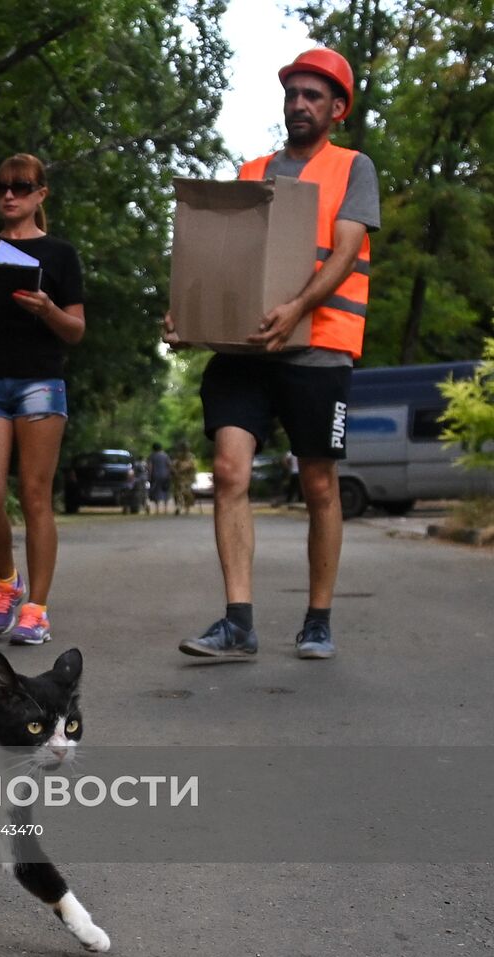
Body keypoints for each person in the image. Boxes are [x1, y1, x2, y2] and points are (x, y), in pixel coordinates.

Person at [166, 48, 380, 661]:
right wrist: (191, 312)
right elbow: (225, 253)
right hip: (246, 348)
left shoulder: (352, 168)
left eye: (313, 96)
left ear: (337, 109)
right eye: (293, 94)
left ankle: (317, 619)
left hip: (320, 346)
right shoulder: (254, 168)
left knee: (317, 483)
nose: (299, 104)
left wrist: (296, 308)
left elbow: (343, 253)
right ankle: (238, 623)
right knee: (230, 471)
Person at [0, 153, 86, 646]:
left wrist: (47, 308)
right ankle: (8, 582)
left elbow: (75, 331)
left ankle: (37, 610)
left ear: (40, 195)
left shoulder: (60, 254)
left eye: (21, 186)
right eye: (1, 186)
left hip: (39, 383)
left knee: (34, 497)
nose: (9, 194)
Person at [171, 442, 197, 515]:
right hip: (179, 478)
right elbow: (173, 465)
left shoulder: (191, 456)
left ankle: (186, 507)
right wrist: (175, 471)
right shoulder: (178, 457)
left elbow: (192, 466)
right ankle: (179, 506)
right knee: (179, 493)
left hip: (187, 478)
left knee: (186, 493)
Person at [147, 442, 172, 514]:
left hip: (155, 476)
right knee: (165, 491)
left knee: (156, 491)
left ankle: (157, 509)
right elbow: (169, 465)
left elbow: (150, 467)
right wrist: (169, 474)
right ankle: (165, 508)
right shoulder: (165, 455)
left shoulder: (151, 456)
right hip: (165, 476)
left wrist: (149, 476)